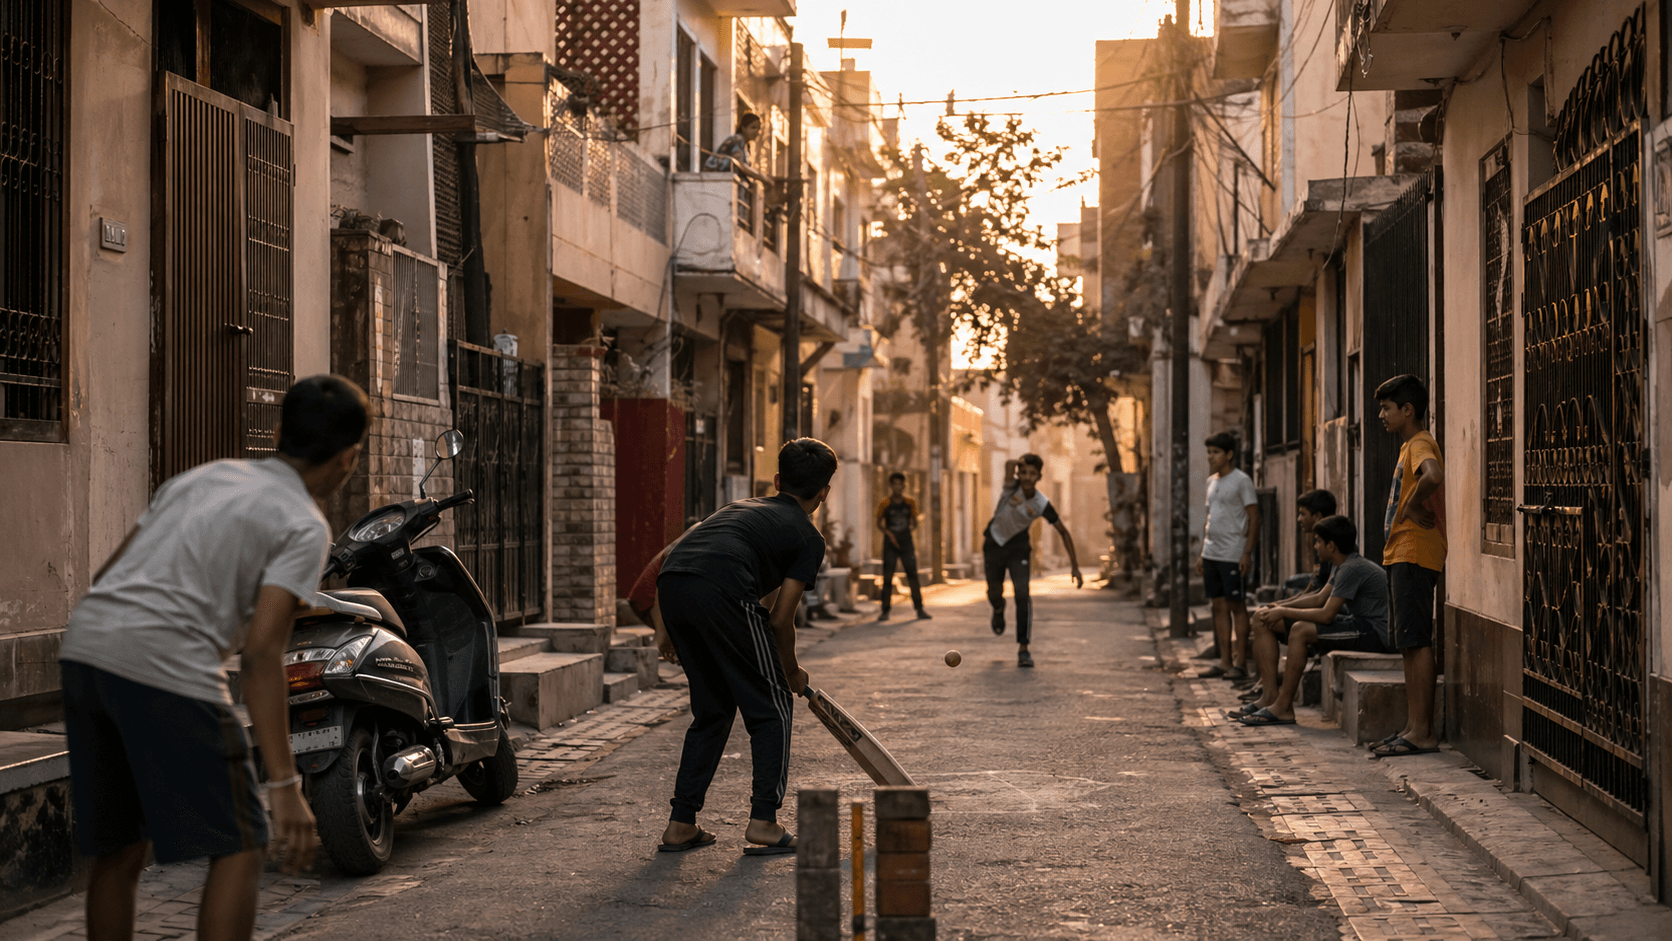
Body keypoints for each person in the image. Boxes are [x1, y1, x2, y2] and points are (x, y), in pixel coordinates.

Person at [58, 375, 368, 941]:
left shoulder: (201, 478)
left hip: (86, 650)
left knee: (121, 851)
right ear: (349, 458)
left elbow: (109, 578)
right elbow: (262, 653)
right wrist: (284, 786)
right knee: (242, 843)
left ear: (279, 433)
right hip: (165, 667)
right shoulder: (303, 523)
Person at [655, 438, 837, 855]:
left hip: (676, 589)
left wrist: (662, 627)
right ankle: (764, 822)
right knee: (772, 708)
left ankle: (681, 823)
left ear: (776, 480)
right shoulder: (808, 537)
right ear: (824, 492)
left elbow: (673, 556)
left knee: (714, 710)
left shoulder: (739, 509)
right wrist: (789, 673)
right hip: (722, 591)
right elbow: (779, 619)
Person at [1230, 515, 1392, 726]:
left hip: (1375, 633)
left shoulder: (1351, 568)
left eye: (1317, 541)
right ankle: (1270, 695)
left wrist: (1285, 612)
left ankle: (1284, 707)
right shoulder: (1342, 564)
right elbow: (1318, 598)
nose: (1315, 546)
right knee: (1262, 619)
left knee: (1300, 630)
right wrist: (1278, 607)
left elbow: (1326, 614)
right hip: (1359, 623)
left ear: (1331, 545)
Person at [1370, 374, 1447, 758]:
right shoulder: (1408, 446)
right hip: (1403, 553)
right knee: (1407, 643)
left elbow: (1433, 475)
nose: (1381, 415)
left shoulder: (1420, 443)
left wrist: (1415, 506)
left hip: (1415, 552)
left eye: (1386, 409)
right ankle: (1413, 727)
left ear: (1407, 410)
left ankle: (1423, 732)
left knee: (1416, 642)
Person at [983, 453, 1083, 669]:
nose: (1027, 477)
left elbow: (1063, 532)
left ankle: (1023, 649)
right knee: (994, 593)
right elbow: (1009, 465)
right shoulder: (1011, 487)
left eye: (1032, 474)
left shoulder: (1041, 503)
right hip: (994, 543)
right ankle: (998, 609)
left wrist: (1075, 566)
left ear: (1039, 476)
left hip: (1019, 549)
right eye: (1024, 473)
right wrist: (1019, 465)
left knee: (1022, 595)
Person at [1238, 488, 1338, 701]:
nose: (1299, 519)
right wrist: (1280, 605)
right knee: (1265, 613)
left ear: (1318, 516)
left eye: (1303, 513)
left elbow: (1321, 597)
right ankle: (1266, 686)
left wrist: (1283, 609)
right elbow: (1314, 587)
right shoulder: (1323, 542)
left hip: (1334, 614)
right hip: (1321, 607)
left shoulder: (1332, 544)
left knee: (1263, 619)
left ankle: (1270, 692)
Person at [1197, 432, 1261, 682]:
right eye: (1209, 452)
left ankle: (1241, 663)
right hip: (1211, 551)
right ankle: (1224, 662)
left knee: (1237, 606)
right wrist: (1202, 552)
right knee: (1218, 606)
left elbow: (1254, 517)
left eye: (1215, 452)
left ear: (1229, 454)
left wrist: (1247, 552)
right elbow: (1210, 517)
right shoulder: (1211, 482)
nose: (1211, 457)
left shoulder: (1241, 481)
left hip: (1233, 552)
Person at [875, 472, 931, 621]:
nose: (898, 487)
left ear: (904, 485)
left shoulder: (910, 502)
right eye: (895, 484)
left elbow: (914, 522)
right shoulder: (885, 503)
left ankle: (919, 609)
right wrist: (889, 534)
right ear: (891, 486)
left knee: (913, 576)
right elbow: (878, 523)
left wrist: (908, 530)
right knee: (887, 577)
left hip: (906, 543)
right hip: (890, 544)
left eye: (900, 484)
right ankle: (885, 611)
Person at [705, 112, 772, 186]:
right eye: (753, 127)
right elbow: (742, 166)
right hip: (716, 180)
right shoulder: (737, 139)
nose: (757, 132)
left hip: (724, 182)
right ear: (743, 128)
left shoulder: (746, 147)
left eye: (759, 129)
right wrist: (761, 177)